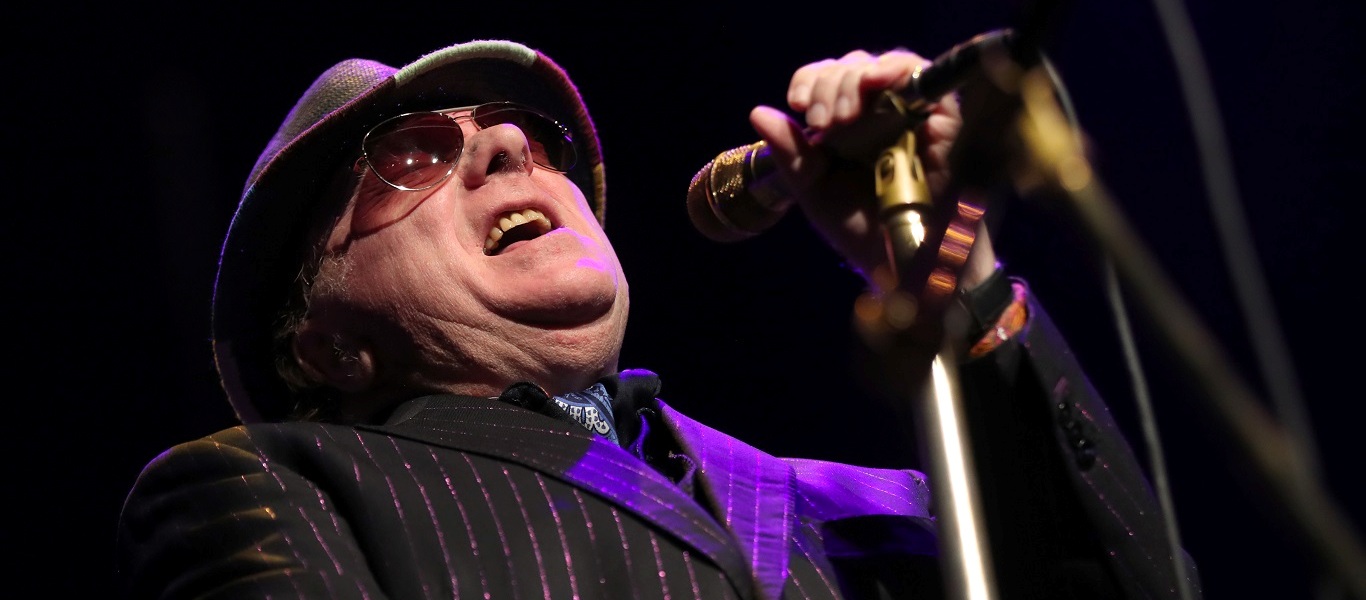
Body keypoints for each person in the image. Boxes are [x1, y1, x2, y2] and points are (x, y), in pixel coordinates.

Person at [115, 38, 1201, 599]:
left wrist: (948, 263)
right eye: (409, 156)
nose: (508, 147)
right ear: (328, 345)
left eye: (524, 133)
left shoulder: (874, 506)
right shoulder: (277, 491)